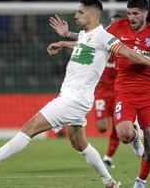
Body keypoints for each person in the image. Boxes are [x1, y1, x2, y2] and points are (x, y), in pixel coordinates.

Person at [0, 0, 150, 188]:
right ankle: (110, 182)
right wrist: (64, 39)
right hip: (76, 98)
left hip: (73, 100)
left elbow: (130, 54)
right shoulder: (89, 35)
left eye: (80, 12)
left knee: (30, 127)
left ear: (93, 15)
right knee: (80, 144)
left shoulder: (105, 38)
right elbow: (84, 42)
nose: (76, 15)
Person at [49, 0, 150, 188]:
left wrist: (130, 49)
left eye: (136, 14)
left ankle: (141, 181)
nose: (131, 17)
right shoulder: (118, 27)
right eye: (129, 13)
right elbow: (94, 40)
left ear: (145, 13)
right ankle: (133, 136)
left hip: (149, 92)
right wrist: (68, 34)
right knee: (123, 134)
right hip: (124, 89)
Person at [49, 13, 139, 169]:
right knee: (102, 127)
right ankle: (131, 131)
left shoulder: (125, 44)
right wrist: (66, 37)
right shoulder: (103, 39)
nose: (114, 28)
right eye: (112, 25)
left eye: (118, 25)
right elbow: (84, 41)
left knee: (119, 125)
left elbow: (135, 57)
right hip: (102, 91)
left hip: (119, 90)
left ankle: (112, 154)